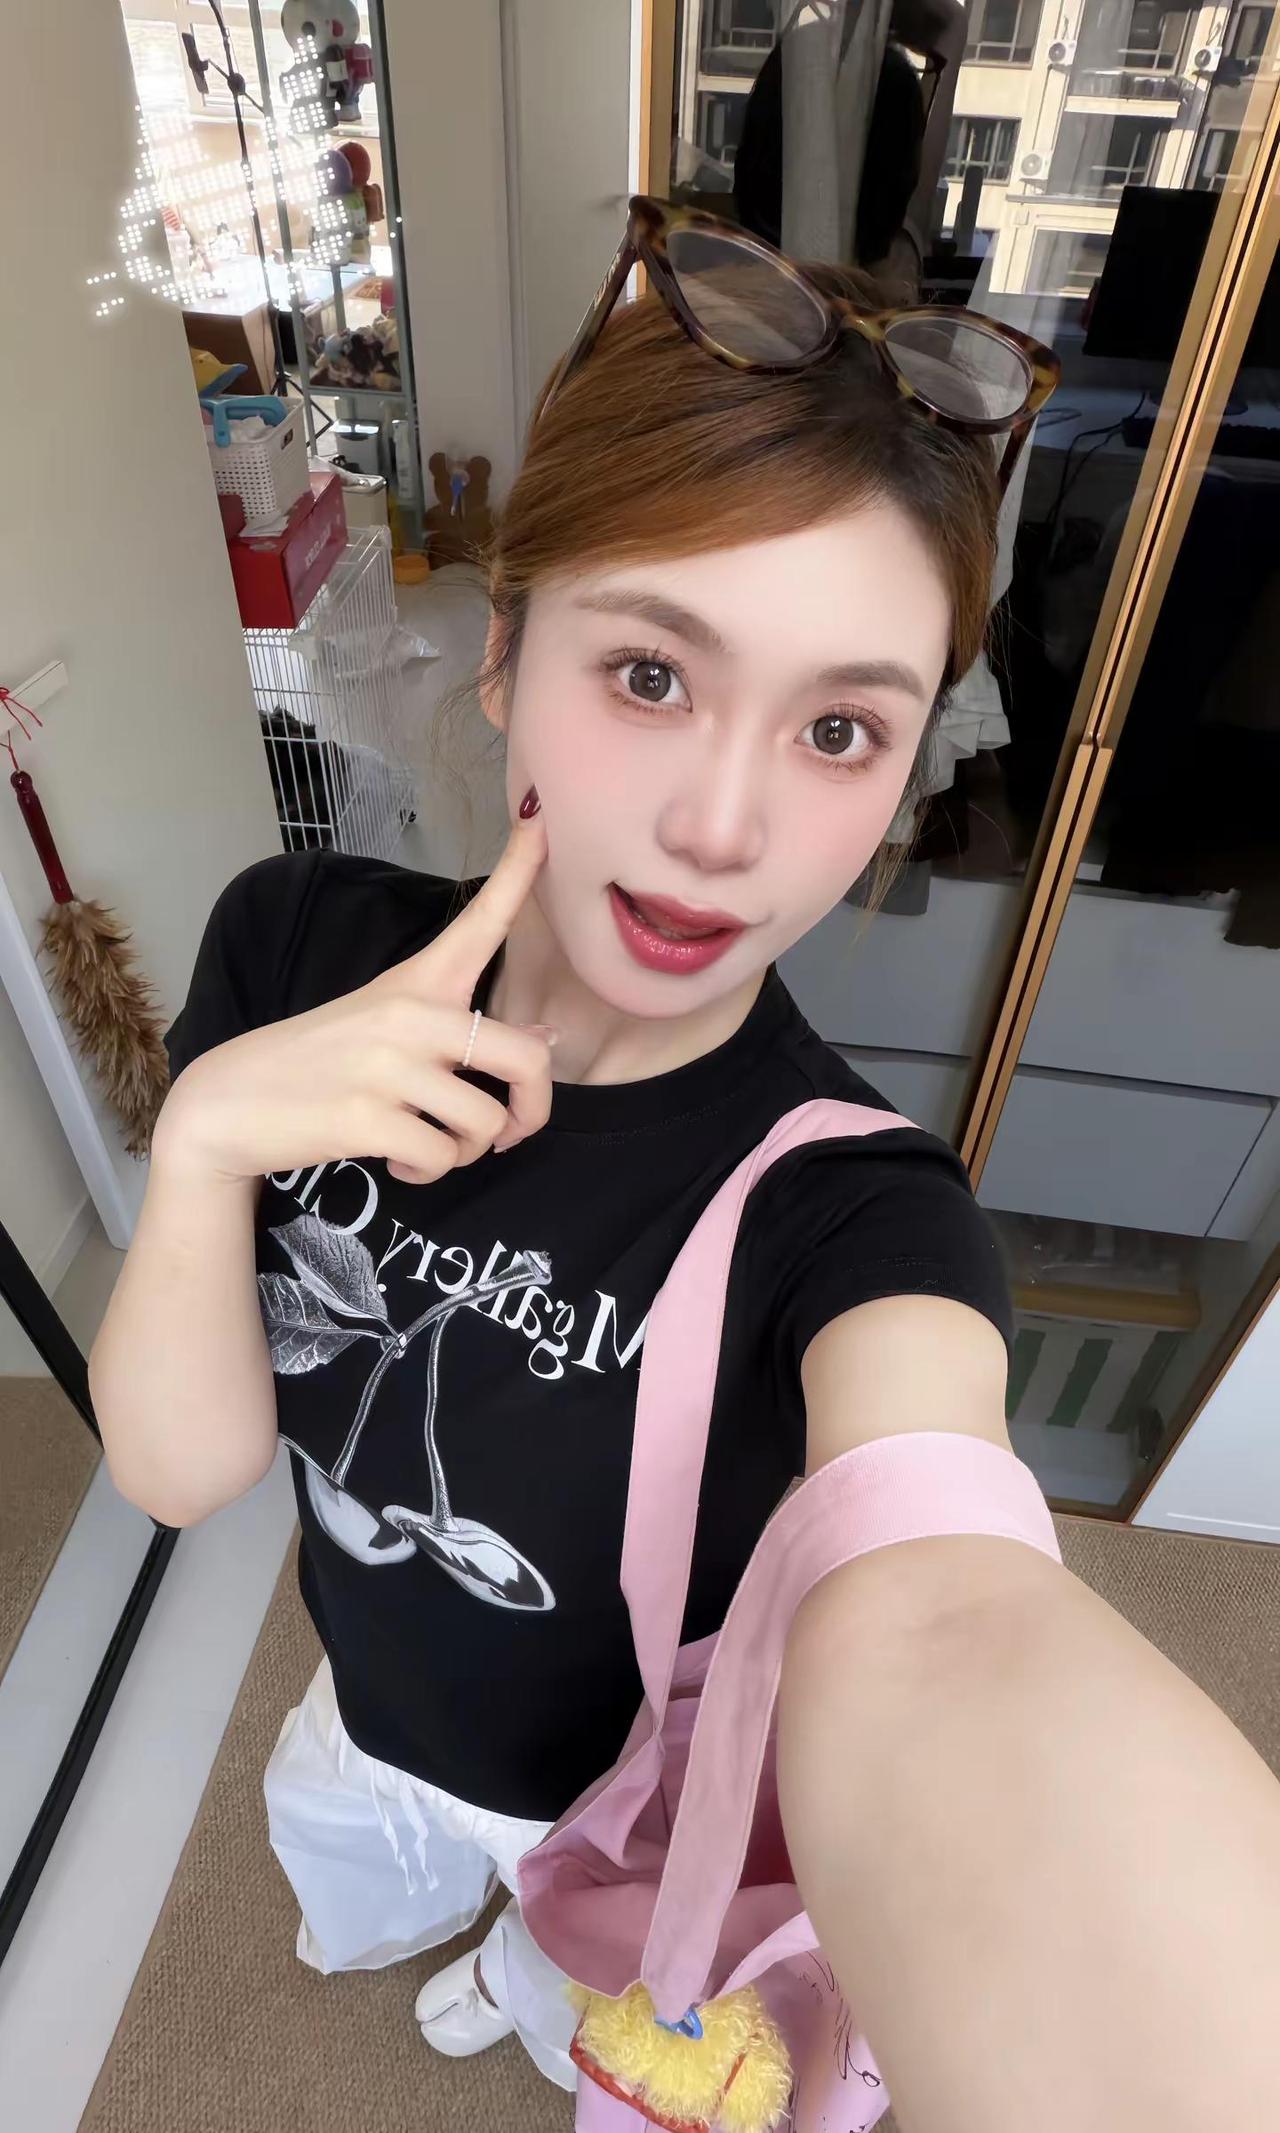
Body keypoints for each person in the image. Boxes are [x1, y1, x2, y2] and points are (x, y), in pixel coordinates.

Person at [91, 207, 1280, 2132]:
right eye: (651, 674)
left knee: (574, 1980)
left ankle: (520, 1963)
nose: (727, 825)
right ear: (506, 650)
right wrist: (216, 1129)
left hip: (622, 1797)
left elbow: (956, 1614)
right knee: (351, 1879)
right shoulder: (295, 943)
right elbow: (178, 1467)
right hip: (365, 1697)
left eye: (839, 729)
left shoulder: (861, 1210)